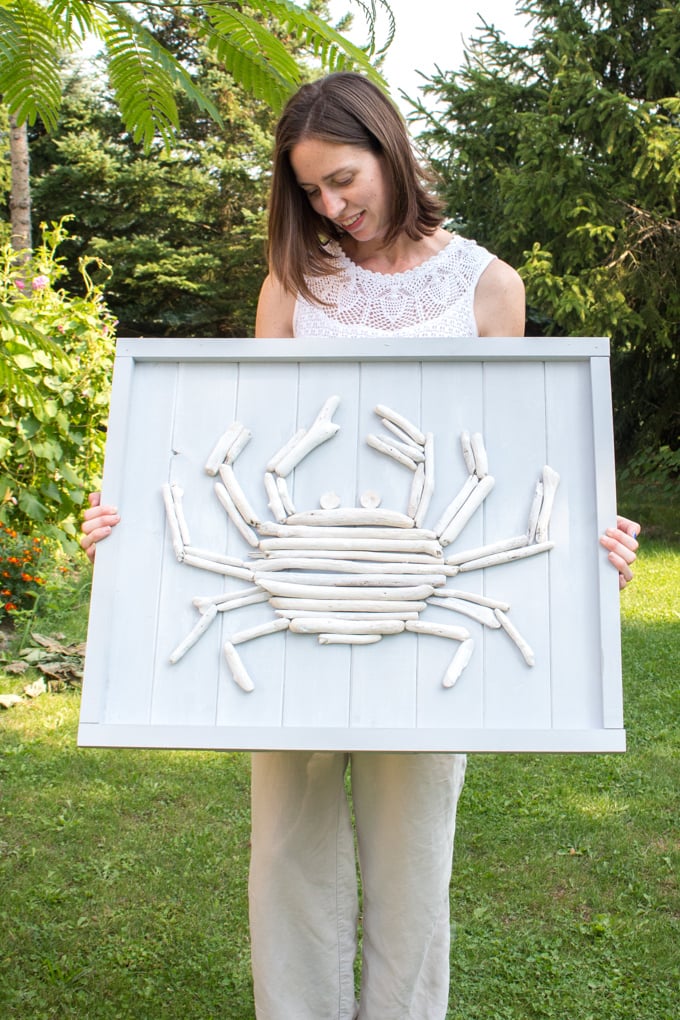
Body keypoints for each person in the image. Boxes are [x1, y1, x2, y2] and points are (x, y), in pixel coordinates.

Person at [81, 73, 640, 1019]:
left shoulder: (489, 286)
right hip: (296, 617)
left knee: (415, 863)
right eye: (311, 193)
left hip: (422, 626)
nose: (333, 207)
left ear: (390, 149)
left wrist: (587, 544)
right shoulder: (294, 285)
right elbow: (246, 450)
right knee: (287, 857)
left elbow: (516, 461)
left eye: (344, 179)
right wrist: (134, 530)